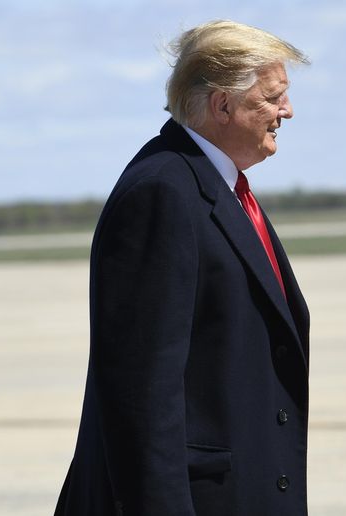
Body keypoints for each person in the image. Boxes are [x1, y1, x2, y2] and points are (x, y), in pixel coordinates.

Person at [54, 20, 311, 515]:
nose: (288, 111)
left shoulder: (215, 188)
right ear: (223, 105)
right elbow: (142, 396)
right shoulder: (162, 193)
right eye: (274, 96)